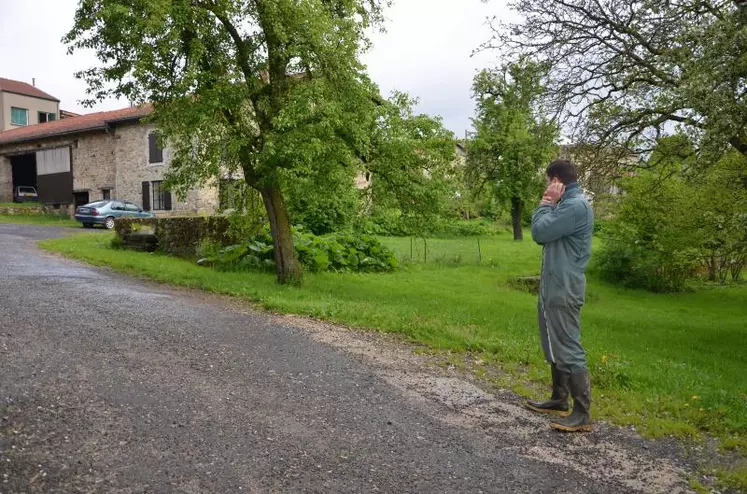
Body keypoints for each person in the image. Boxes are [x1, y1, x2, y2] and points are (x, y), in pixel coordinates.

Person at [526, 159, 594, 432]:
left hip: (564, 287)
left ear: (556, 181)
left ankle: (582, 412)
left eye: (548, 182)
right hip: (553, 285)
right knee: (553, 341)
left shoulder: (574, 206)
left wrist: (545, 202)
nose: (547, 187)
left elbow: (540, 232)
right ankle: (559, 398)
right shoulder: (566, 205)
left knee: (567, 344)